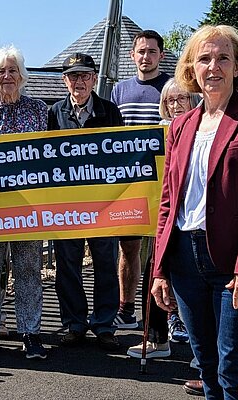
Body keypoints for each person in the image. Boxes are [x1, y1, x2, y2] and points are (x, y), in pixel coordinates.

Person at [151, 25, 238, 399]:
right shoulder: (180, 126)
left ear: (237, 66)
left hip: (235, 266)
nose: (214, 66)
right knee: (207, 370)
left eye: (223, 58)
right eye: (204, 58)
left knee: (236, 373)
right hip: (184, 263)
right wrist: (160, 269)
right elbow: (169, 201)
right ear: (191, 68)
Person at [0, 45, 48, 359]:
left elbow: (48, 156)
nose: (7, 76)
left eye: (13, 70)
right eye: (1, 71)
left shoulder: (39, 109)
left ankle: (30, 332)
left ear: (22, 75)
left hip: (28, 208)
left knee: (29, 271)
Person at [48, 53, 123, 351]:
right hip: (66, 205)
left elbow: (123, 155)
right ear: (65, 80)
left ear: (94, 79)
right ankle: (74, 323)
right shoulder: (54, 112)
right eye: (72, 76)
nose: (78, 81)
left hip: (103, 204)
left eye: (84, 75)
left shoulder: (110, 111)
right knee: (68, 265)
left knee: (106, 263)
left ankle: (104, 324)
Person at [110, 30, 171, 359]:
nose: (146, 56)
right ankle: (126, 307)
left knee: (162, 255)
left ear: (161, 55)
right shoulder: (120, 89)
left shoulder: (172, 88)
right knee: (129, 248)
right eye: (140, 51)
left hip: (164, 184)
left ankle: (167, 318)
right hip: (130, 184)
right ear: (132, 55)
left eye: (152, 51)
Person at [158, 78, 201, 346]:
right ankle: (174, 318)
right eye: (170, 101)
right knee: (167, 270)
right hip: (164, 212)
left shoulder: (201, 127)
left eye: (181, 99)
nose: (175, 105)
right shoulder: (158, 132)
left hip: (192, 213)